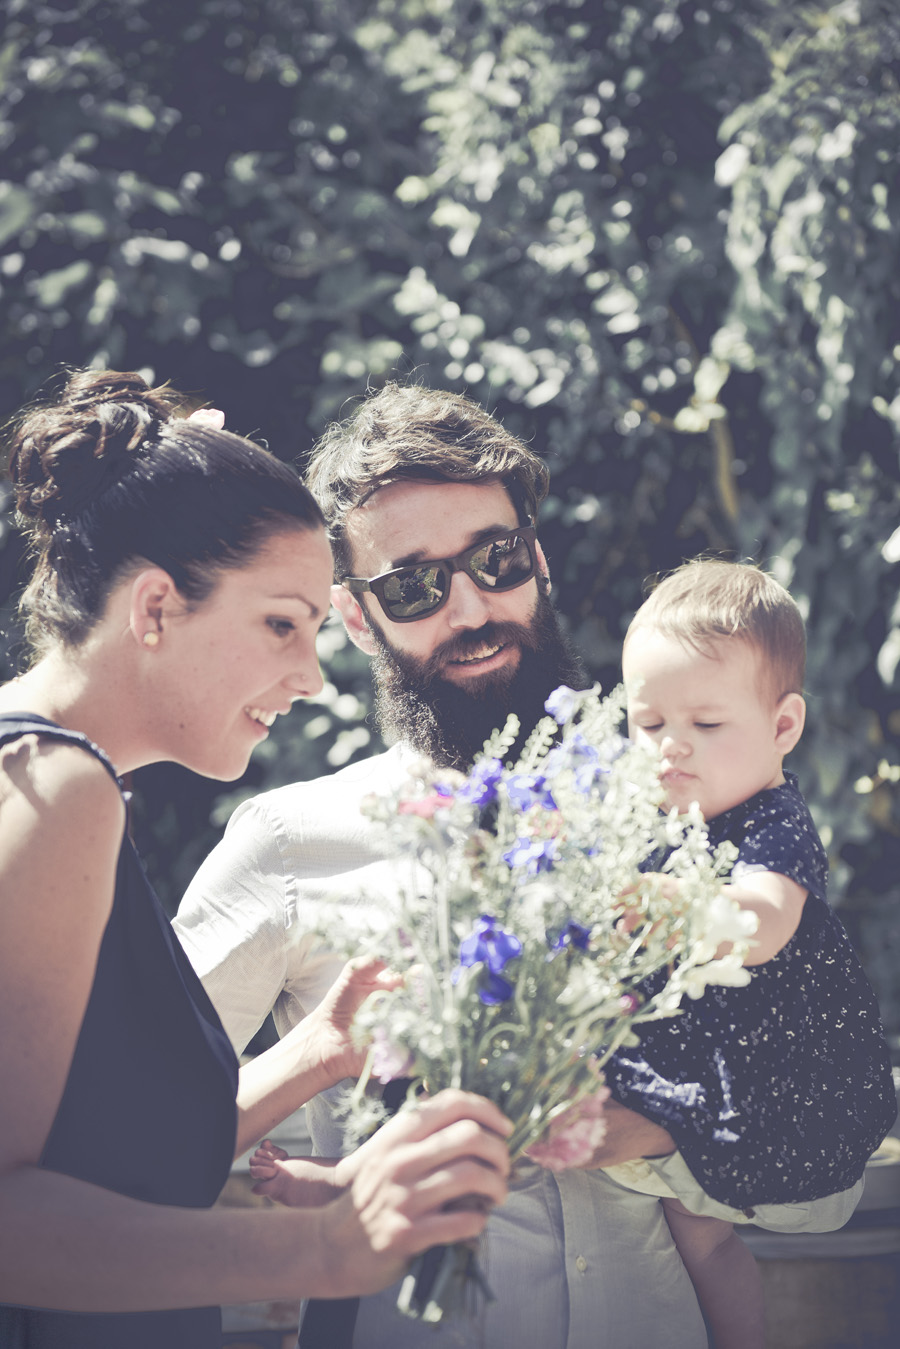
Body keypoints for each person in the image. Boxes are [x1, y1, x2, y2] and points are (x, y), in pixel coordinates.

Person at [175, 382, 716, 1349]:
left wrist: (673, 1124)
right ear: (355, 616)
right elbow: (127, 1143)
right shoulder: (290, 842)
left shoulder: (682, 811)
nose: (471, 608)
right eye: (413, 587)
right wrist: (316, 1055)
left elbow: (805, 1129)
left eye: (495, 559)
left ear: (537, 559)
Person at [0, 370, 513, 1349]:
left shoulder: (42, 770)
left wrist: (319, 1049)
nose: (312, 677)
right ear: (155, 607)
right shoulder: (58, 787)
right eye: (282, 623)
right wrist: (324, 1247)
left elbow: (110, 1164)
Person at [601, 558, 897, 1349]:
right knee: (697, 1235)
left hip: (781, 1080)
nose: (671, 747)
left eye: (705, 724)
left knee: (685, 1209)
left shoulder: (772, 823)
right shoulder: (660, 823)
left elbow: (763, 921)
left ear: (782, 728)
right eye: (649, 723)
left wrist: (673, 905)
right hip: (707, 1058)